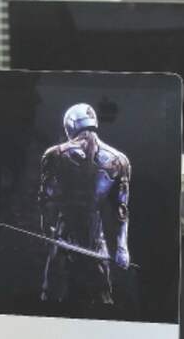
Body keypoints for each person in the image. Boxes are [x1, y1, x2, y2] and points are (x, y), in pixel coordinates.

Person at [38, 103, 131, 305]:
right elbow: (121, 210)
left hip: (65, 233)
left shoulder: (55, 154)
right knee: (100, 299)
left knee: (53, 297)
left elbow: (46, 199)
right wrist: (122, 248)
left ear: (70, 126)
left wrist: (46, 229)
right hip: (95, 238)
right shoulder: (119, 160)